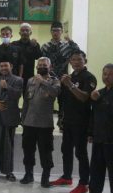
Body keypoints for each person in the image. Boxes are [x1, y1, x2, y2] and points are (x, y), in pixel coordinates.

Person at [50, 50, 97, 193]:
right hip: (68, 121)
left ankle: (84, 183)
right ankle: (67, 177)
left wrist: (69, 84)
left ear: (85, 61)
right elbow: (64, 101)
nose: (76, 62)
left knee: (80, 153)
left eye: (79, 59)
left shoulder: (88, 77)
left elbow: (84, 98)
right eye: (73, 59)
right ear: (70, 62)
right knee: (66, 150)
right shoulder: (69, 77)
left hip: (81, 122)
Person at [20, 57, 61, 188]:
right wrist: (23, 118)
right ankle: (28, 174)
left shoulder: (55, 81)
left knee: (46, 152)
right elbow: (26, 100)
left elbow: (55, 93)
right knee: (28, 150)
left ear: (50, 67)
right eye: (39, 65)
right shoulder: (30, 80)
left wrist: (43, 82)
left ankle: (45, 177)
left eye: (44, 65)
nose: (41, 66)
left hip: (45, 124)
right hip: (29, 123)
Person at [41, 21, 80, 130]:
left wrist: (71, 41)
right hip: (49, 77)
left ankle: (61, 121)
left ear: (62, 31)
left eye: (58, 30)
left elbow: (79, 52)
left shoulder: (67, 46)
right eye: (54, 30)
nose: (56, 32)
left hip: (64, 77)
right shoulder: (45, 46)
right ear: (51, 32)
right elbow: (42, 61)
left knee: (63, 100)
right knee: (46, 99)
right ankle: (45, 121)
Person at [88, 63, 113, 193]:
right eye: (105, 74)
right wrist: (91, 133)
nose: (107, 77)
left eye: (111, 74)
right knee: (96, 171)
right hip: (99, 139)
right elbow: (94, 115)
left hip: (111, 140)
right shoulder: (99, 93)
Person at [11, 23, 42, 92]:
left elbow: (38, 57)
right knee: (13, 97)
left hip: (29, 77)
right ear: (19, 33)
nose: (25, 32)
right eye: (22, 30)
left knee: (28, 99)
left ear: (30, 33)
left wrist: (35, 46)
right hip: (15, 75)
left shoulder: (34, 44)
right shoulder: (14, 44)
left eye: (27, 30)